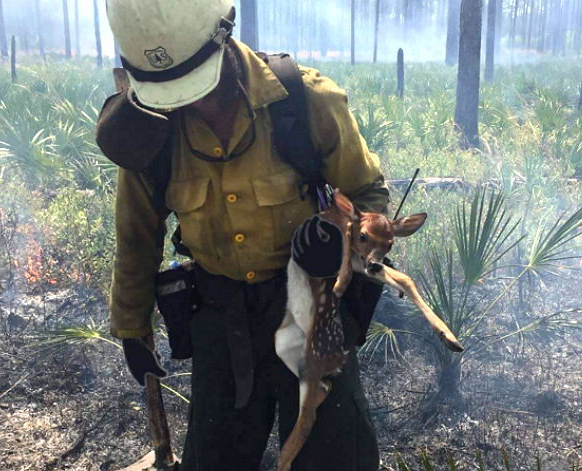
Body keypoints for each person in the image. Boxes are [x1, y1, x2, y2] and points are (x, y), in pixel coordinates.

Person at [98, 1, 390, 470]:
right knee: (216, 456)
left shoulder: (305, 100)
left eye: (196, 87)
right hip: (220, 316)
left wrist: (355, 241)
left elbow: (368, 189)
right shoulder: (149, 127)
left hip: (311, 312)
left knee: (336, 454)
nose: (187, 102)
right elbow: (137, 236)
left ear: (224, 39)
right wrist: (132, 327)